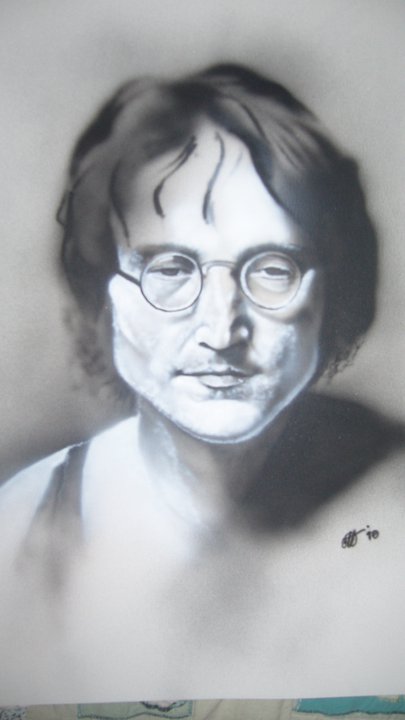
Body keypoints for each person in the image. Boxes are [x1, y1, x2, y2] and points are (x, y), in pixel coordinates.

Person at [0, 64, 404, 703]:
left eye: (272, 267)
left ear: (332, 292)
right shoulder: (18, 532)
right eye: (169, 268)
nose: (222, 330)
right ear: (103, 291)